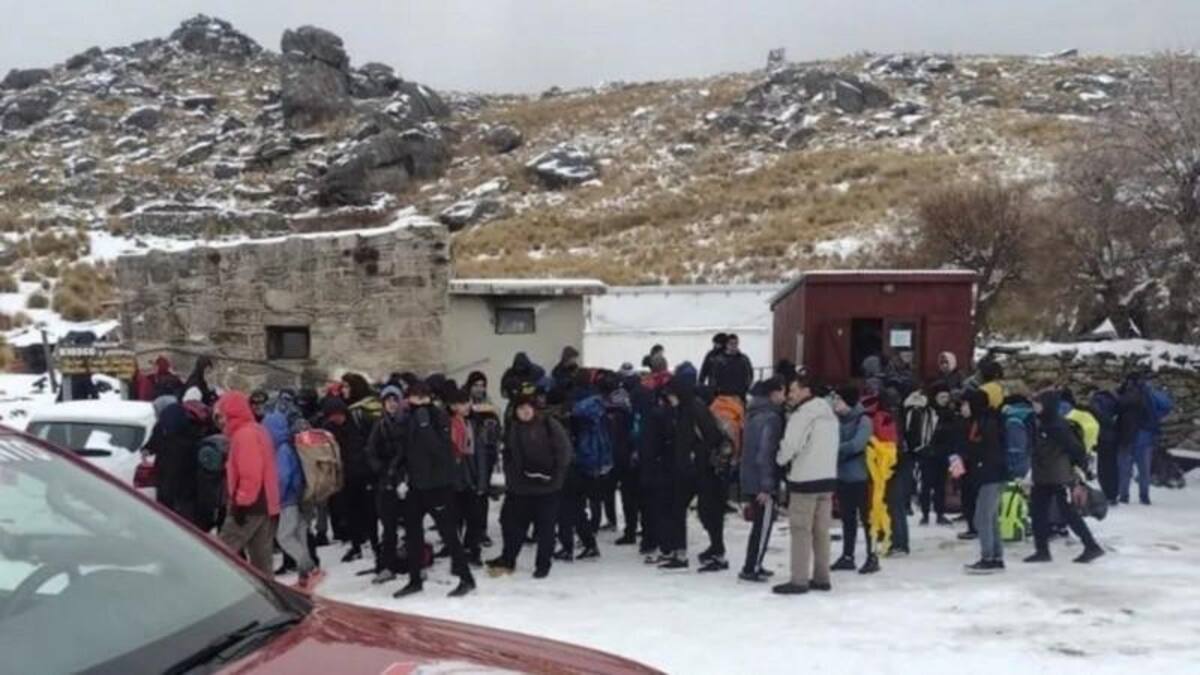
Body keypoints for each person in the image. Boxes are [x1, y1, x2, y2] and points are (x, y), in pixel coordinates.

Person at [394, 383, 476, 598]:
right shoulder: (408, 417)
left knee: (448, 533)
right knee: (413, 534)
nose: (419, 401)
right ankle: (415, 579)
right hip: (415, 484)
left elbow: (440, 449)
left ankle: (466, 578)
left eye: (423, 397)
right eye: (415, 397)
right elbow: (404, 448)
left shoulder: (438, 416)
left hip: (438, 485)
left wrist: (424, 426)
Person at [488, 394, 573, 579]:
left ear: (534, 409)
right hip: (520, 489)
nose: (525, 412)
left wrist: (555, 477)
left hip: (547, 489)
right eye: (520, 409)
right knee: (511, 525)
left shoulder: (549, 425)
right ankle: (508, 559)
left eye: (528, 408)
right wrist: (512, 479)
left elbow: (565, 452)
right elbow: (510, 456)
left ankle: (543, 565)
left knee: (545, 529)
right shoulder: (514, 427)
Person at [773, 375, 839, 595]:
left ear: (806, 391)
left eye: (793, 390)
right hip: (827, 478)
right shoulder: (829, 414)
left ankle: (799, 580)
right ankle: (822, 577)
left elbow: (791, 444)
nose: (790, 395)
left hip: (804, 480)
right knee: (822, 531)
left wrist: (780, 460)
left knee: (801, 530)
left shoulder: (802, 415)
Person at [1025, 387, 1104, 565]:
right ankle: (1042, 550)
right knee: (1039, 512)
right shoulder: (1041, 422)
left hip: (1058, 477)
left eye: (1038, 404)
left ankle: (1091, 546)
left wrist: (1079, 470)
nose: (1035, 407)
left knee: (1067, 513)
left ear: (1047, 405)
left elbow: (1076, 449)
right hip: (1044, 475)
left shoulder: (1057, 426)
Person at [659, 375, 724, 571]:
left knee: (707, 512)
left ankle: (717, 551)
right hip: (687, 469)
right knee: (678, 509)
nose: (669, 399)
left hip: (702, 469)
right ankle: (682, 551)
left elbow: (712, 437)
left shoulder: (695, 409)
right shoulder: (681, 410)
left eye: (671, 395)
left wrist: (696, 455)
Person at [216, 392, 281, 576]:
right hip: (265, 503)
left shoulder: (244, 435)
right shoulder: (256, 430)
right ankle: (267, 592)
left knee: (219, 553)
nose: (219, 420)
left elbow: (250, 473)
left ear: (231, 413)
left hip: (251, 505)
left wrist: (241, 503)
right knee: (261, 561)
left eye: (221, 415)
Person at [264, 411, 321, 589]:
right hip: (301, 497)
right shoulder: (291, 444)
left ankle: (307, 566)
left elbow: (283, 477)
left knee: (284, 537)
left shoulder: (281, 449)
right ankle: (305, 571)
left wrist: (277, 497)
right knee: (299, 534)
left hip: (288, 499)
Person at [738, 378, 785, 582]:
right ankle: (752, 567)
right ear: (774, 393)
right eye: (782, 392)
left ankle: (754, 563)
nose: (784, 397)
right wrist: (767, 486)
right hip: (762, 480)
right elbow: (766, 452)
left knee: (758, 525)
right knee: (763, 525)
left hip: (749, 475)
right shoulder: (771, 417)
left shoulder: (753, 413)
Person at [322, 396, 377, 563]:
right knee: (350, 513)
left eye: (337, 414)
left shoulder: (359, 422)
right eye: (332, 416)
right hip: (345, 477)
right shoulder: (328, 429)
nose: (336, 418)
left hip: (365, 474)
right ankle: (356, 545)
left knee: (370, 512)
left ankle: (375, 544)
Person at [831, 385, 878, 574]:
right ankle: (847, 555)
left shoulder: (863, 420)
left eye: (838, 400)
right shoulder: (836, 420)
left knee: (867, 518)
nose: (835, 403)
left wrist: (836, 449)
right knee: (847, 518)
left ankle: (872, 555)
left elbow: (858, 444)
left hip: (861, 476)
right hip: (842, 476)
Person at [958, 390, 1006, 574]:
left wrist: (973, 459)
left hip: (990, 474)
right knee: (990, 517)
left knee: (983, 517)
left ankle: (988, 558)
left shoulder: (986, 422)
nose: (962, 408)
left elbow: (987, 449)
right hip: (988, 474)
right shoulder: (980, 420)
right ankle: (996, 556)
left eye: (965, 404)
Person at [364, 385, 406, 584]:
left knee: (411, 526)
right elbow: (371, 451)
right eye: (388, 400)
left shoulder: (408, 422)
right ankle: (387, 565)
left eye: (395, 400)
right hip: (386, 481)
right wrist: (382, 470)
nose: (392, 404)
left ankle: (412, 563)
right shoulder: (379, 425)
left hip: (406, 480)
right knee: (389, 526)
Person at [447, 387, 489, 567]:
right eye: (461, 403)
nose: (465, 406)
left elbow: (480, 454)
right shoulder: (447, 425)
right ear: (452, 406)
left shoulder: (474, 424)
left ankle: (473, 550)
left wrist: (482, 480)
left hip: (471, 477)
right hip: (452, 479)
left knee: (474, 518)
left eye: (467, 402)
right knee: (454, 519)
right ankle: (457, 554)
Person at [145, 398, 201, 523]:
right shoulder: (188, 429)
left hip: (172, 484)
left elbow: (156, 444)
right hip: (182, 486)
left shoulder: (166, 429)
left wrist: (148, 450)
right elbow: (154, 443)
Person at [465, 371, 502, 549]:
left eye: (482, 385)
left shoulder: (489, 405)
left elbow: (497, 429)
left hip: (486, 454)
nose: (479, 389)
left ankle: (481, 530)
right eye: (476, 385)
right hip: (467, 455)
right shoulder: (464, 403)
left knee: (482, 494)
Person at [910, 384, 953, 526]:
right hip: (927, 453)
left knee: (940, 485)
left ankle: (940, 513)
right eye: (942, 396)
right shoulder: (926, 413)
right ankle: (925, 513)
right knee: (926, 485)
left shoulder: (950, 413)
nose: (945, 400)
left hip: (943, 453)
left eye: (947, 396)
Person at [1116, 373, 1153, 505]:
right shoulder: (1148, 394)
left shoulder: (1126, 394)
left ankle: (1124, 495)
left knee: (1124, 468)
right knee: (1144, 469)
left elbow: (1119, 407)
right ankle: (1144, 496)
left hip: (1127, 435)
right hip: (1145, 436)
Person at [711, 334, 754, 400]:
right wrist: (716, 390)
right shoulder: (719, 360)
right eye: (731, 343)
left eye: (736, 343)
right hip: (723, 395)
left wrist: (745, 388)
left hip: (740, 395)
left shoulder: (743, 359)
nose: (734, 346)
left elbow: (750, 374)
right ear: (726, 344)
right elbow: (714, 377)